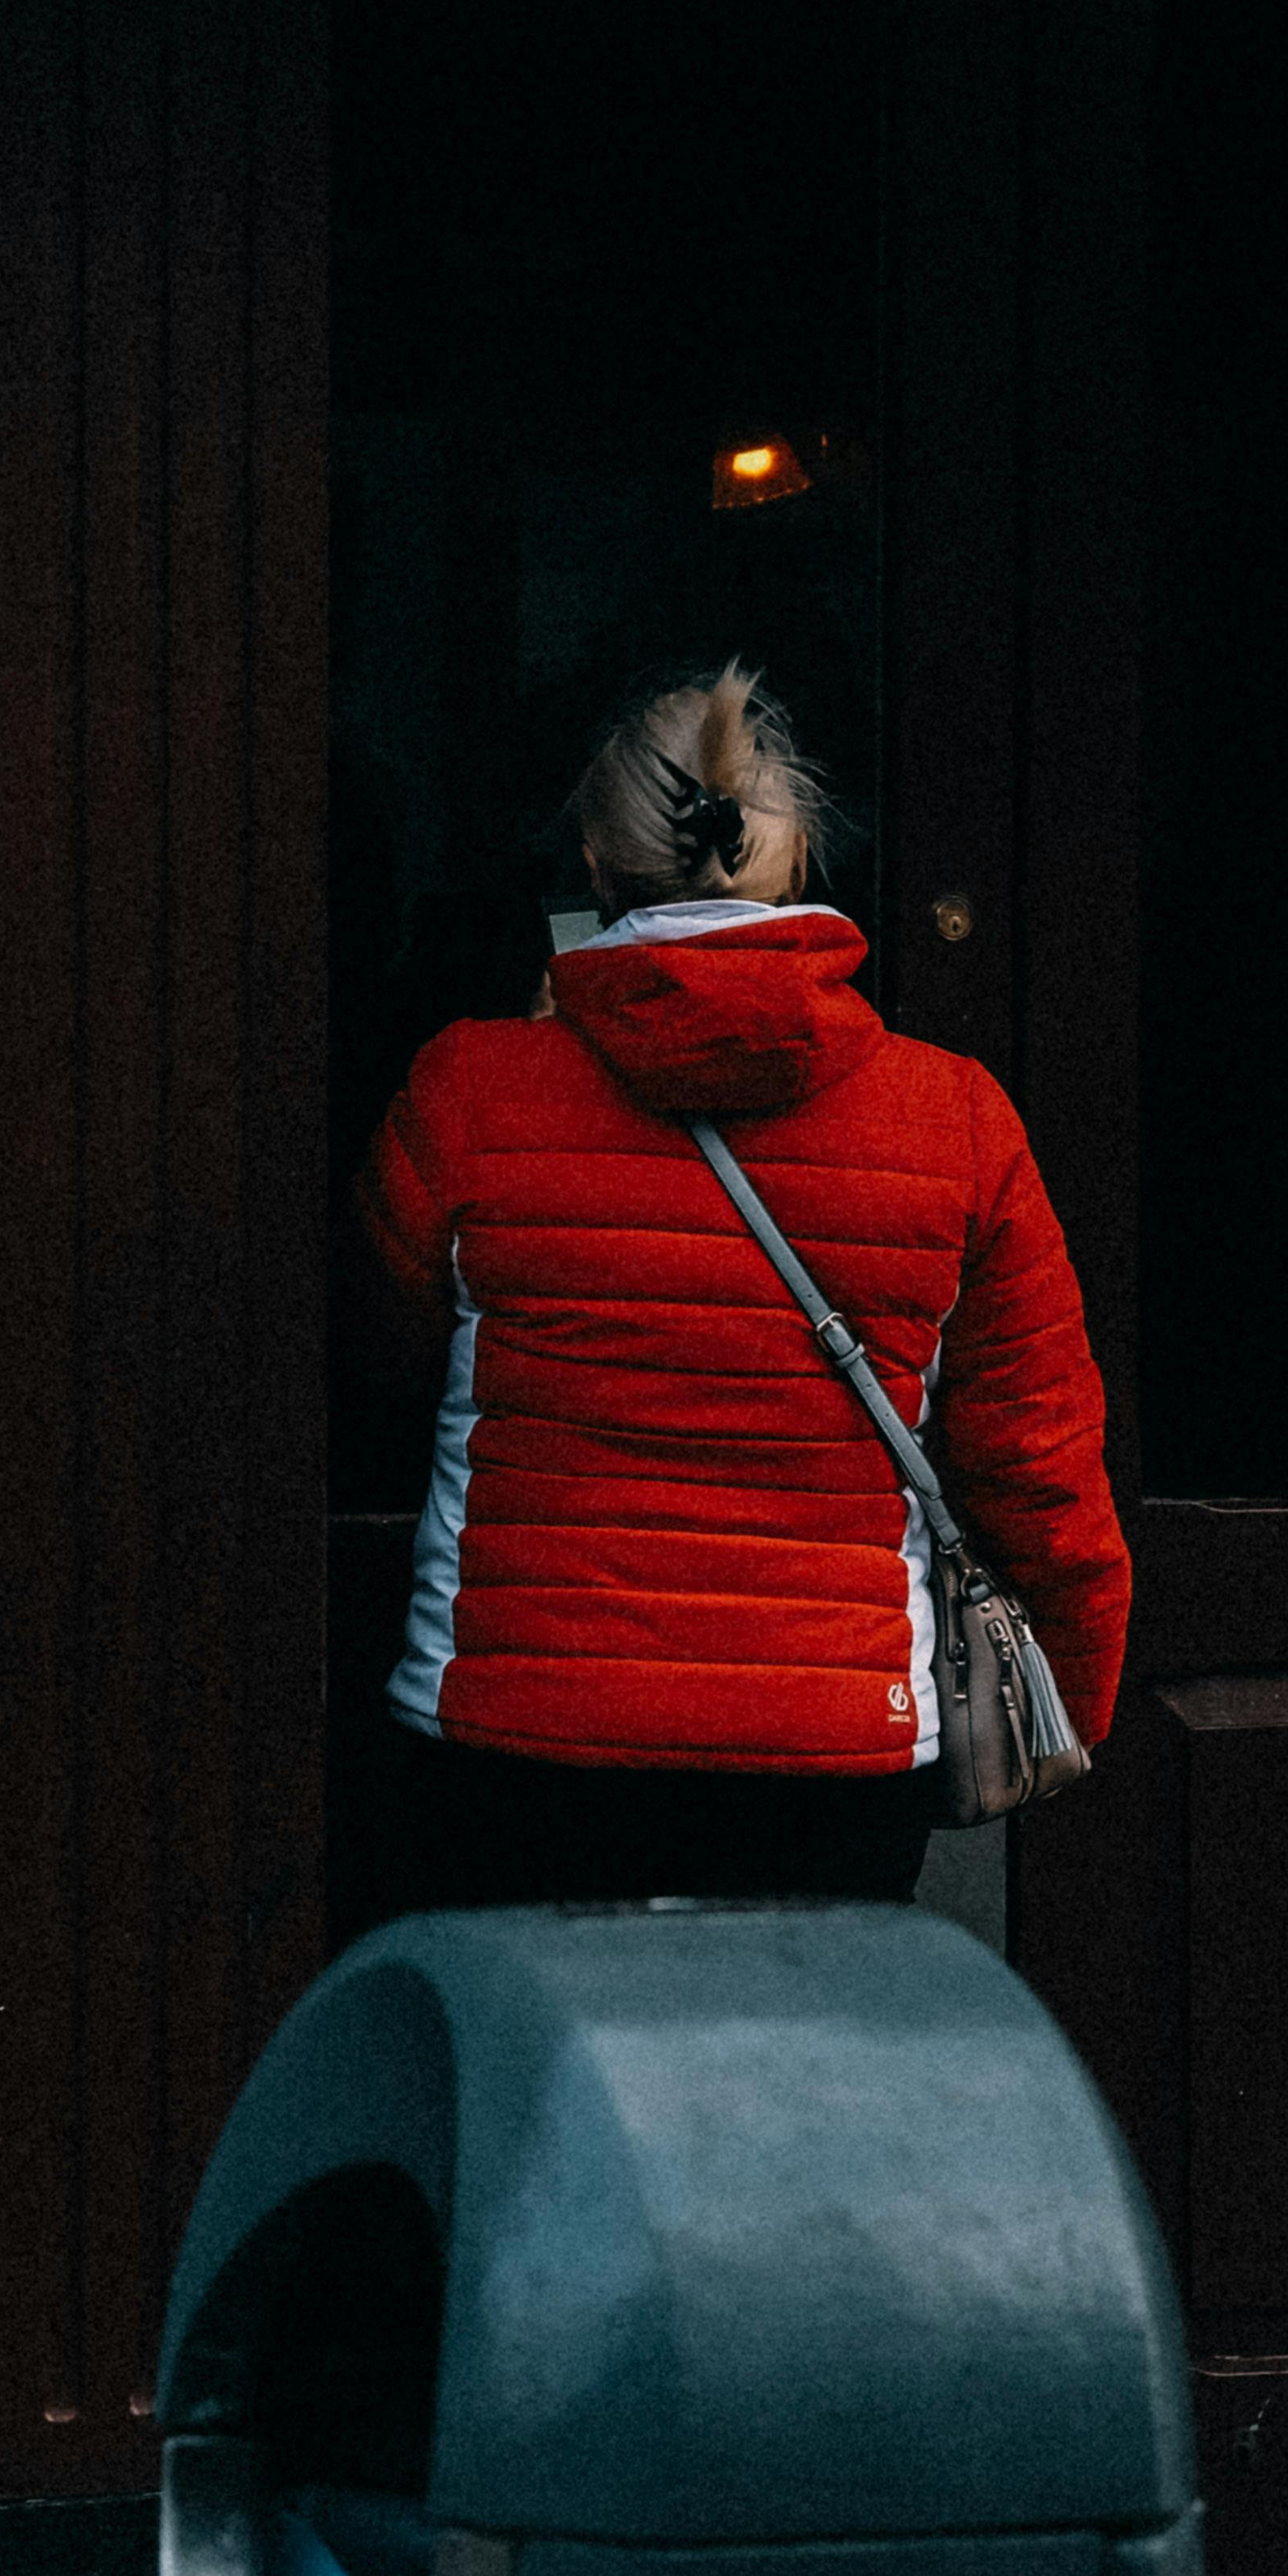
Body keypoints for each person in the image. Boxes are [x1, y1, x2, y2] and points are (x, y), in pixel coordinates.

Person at [336, 663, 1129, 1929]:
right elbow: (1036, 1463)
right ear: (798, 847)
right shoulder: (957, 1118)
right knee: (795, 2113)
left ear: (595, 860)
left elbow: (390, 1359)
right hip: (835, 1748)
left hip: (522, 1727)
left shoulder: (467, 1090)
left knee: (544, 2105)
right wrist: (1068, 1695)